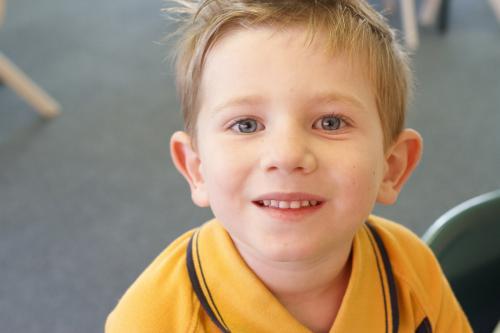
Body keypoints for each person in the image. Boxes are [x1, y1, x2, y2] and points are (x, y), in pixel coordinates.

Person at [106, 1, 472, 332]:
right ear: (197, 169)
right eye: (246, 125)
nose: (286, 155)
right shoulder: (151, 320)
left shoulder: (412, 271)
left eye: (330, 122)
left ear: (391, 167)